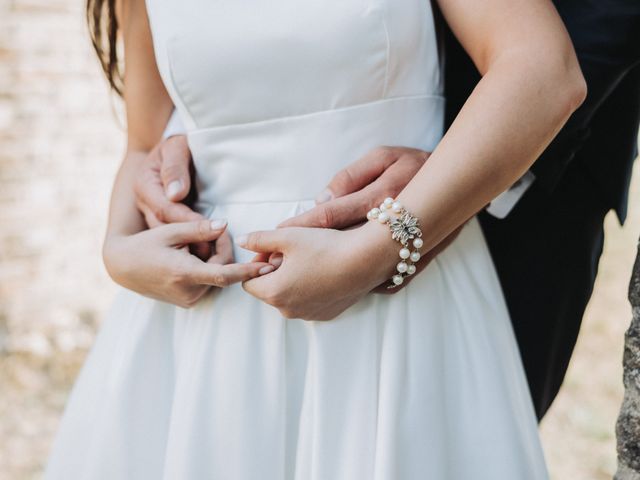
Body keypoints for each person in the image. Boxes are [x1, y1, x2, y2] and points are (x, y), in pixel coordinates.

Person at [44, 0, 585, 478]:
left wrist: (379, 252)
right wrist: (116, 249)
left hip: (400, 310)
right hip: (204, 328)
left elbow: (542, 68)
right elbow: (143, 143)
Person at [138, 0, 640, 420]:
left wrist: (459, 169)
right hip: (209, 307)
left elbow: (544, 69)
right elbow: (147, 128)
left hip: (530, 184)